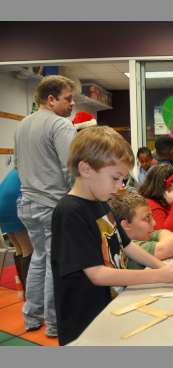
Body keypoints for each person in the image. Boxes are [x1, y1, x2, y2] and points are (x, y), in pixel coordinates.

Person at [51, 126, 173, 345]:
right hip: (83, 322)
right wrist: (158, 276)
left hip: (109, 309)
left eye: (123, 181)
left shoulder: (102, 203)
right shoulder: (69, 212)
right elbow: (98, 274)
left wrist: (162, 267)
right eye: (115, 178)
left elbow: (127, 245)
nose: (119, 188)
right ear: (86, 169)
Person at [14, 75, 77, 337]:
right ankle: (53, 323)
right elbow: (71, 168)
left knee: (39, 258)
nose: (72, 104)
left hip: (27, 202)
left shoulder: (22, 125)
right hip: (51, 204)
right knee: (54, 262)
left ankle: (31, 316)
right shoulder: (60, 125)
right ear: (51, 100)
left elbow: (17, 165)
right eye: (68, 98)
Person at [0, 168, 33, 296]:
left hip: (3, 205)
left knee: (19, 249)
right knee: (27, 249)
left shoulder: (15, 170)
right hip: (12, 205)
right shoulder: (30, 168)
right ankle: (31, 294)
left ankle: (24, 290)